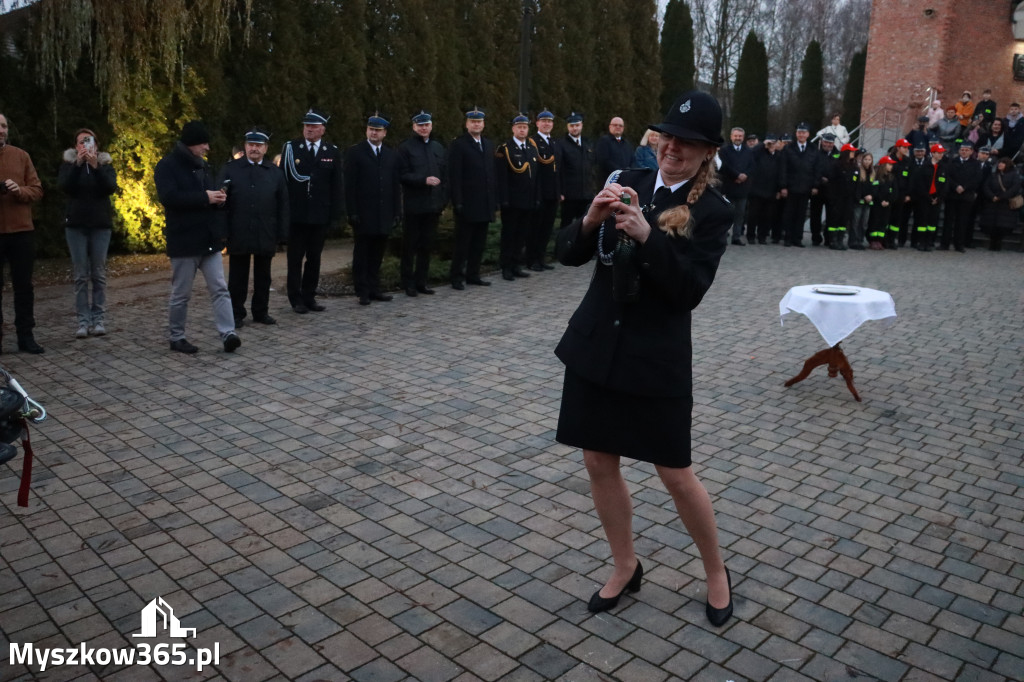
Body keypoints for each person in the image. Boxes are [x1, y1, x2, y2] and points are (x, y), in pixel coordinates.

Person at [553, 90, 733, 626]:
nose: (672, 147)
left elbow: (688, 292)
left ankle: (717, 572)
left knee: (675, 473)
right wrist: (589, 220)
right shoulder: (628, 179)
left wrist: (649, 236)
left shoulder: (714, 211)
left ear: (708, 152)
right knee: (597, 460)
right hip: (598, 348)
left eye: (687, 142)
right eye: (667, 137)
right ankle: (625, 565)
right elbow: (568, 254)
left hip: (655, 358)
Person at [155, 120, 240, 354]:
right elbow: (169, 198)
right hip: (184, 241)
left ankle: (228, 333)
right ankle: (177, 337)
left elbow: (207, 197)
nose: (207, 148)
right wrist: (205, 197)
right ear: (191, 143)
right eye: (204, 143)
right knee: (181, 293)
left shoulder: (204, 166)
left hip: (208, 240)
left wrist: (219, 199)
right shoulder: (166, 166)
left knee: (220, 288)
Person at [217, 128, 289, 326]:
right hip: (238, 230)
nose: (254, 149)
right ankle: (236, 313)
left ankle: (261, 311)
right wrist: (222, 232)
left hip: (265, 230)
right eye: (250, 145)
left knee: (263, 276)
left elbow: (283, 204)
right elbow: (221, 203)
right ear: (245, 146)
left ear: (265, 148)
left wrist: (282, 233)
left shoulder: (274, 173)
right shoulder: (230, 169)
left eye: (258, 145)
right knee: (237, 276)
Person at [281, 108, 343, 314]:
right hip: (297, 215)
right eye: (307, 125)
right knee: (295, 259)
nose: (309, 129)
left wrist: (335, 215)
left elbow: (336, 186)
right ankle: (295, 298)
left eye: (314, 126)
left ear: (322, 129)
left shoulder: (331, 151)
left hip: (319, 215)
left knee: (314, 258)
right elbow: (284, 183)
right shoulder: (291, 148)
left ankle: (310, 296)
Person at [57, 128, 118, 339]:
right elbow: (65, 186)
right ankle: (83, 321)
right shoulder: (69, 165)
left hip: (100, 226)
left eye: (88, 141)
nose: (85, 145)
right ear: (76, 146)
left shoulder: (106, 165)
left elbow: (111, 187)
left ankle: (98, 319)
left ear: (96, 145)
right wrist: (78, 165)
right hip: (76, 226)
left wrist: (96, 167)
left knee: (99, 275)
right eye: (81, 142)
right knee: (81, 276)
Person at [345, 114, 402, 306]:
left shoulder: (390, 154)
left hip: (384, 212)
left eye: (378, 130)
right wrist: (351, 211)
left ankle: (375, 288)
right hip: (363, 213)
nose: (374, 133)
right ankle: (362, 290)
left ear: (384, 133)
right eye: (371, 129)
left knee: (378, 253)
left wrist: (397, 211)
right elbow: (350, 185)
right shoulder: (355, 152)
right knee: (362, 253)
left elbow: (395, 185)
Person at [0, 113, 45, 354]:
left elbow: (37, 190)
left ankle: (25, 336)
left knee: (24, 287)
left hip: (21, 231)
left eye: (4, 126)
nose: (1, 130)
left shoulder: (21, 156)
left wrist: (20, 191)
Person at [397, 110, 446, 297]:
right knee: (410, 246)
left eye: (426, 125)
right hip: (414, 205)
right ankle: (407, 282)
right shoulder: (406, 148)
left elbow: (444, 175)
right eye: (420, 125)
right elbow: (402, 175)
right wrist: (423, 180)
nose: (424, 128)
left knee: (427, 246)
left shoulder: (438, 147)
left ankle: (422, 281)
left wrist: (442, 200)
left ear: (431, 126)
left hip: (433, 206)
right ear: (414, 127)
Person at [448, 108, 498, 290]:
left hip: (484, 203)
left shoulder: (488, 144)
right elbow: (455, 176)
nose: (476, 124)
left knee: (479, 243)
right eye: (473, 122)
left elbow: (491, 175)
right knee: (463, 243)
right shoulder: (459, 145)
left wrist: (494, 201)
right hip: (467, 203)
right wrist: (458, 201)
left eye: (479, 121)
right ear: (467, 124)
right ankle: (456, 276)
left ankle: (473, 274)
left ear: (483, 124)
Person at [495, 113, 539, 281]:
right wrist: (504, 200)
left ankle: (516, 265)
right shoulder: (505, 148)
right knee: (509, 235)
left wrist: (536, 197)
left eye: (525, 127)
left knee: (521, 235)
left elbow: (535, 177)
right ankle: (506, 267)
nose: (522, 129)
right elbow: (502, 177)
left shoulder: (531, 148)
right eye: (519, 127)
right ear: (513, 129)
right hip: (512, 202)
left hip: (527, 200)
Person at [779, 122, 823, 247]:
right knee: (789, 213)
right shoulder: (788, 148)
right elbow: (783, 168)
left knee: (801, 214)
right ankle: (787, 238)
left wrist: (815, 185)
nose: (801, 135)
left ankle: (797, 238)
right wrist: (783, 186)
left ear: (808, 134)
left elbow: (817, 169)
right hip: (791, 187)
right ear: (796, 134)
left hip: (806, 187)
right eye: (799, 132)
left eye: (804, 132)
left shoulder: (813, 149)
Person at [527, 109, 560, 271]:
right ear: (537, 123)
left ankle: (541, 258)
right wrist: (537, 193)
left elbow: (558, 170)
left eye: (549, 121)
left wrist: (559, 191)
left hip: (552, 193)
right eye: (543, 121)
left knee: (547, 228)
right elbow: (535, 172)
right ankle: (532, 259)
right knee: (535, 228)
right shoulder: (533, 142)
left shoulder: (554, 142)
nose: (547, 124)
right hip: (540, 193)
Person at [942, 140, 982, 252]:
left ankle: (959, 244)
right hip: (952, 195)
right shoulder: (952, 161)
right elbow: (947, 176)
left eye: (966, 150)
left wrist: (964, 187)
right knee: (948, 220)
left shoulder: (976, 164)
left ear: (971, 152)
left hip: (966, 196)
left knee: (962, 221)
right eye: (962, 150)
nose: (964, 152)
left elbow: (977, 179)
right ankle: (944, 243)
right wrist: (956, 186)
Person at [558, 111, 594, 229]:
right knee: (566, 225)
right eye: (572, 126)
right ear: (568, 127)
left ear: (582, 125)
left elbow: (591, 167)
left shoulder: (587, 143)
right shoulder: (561, 144)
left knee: (584, 226)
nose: (574, 128)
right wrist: (561, 191)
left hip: (586, 194)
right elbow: (560, 169)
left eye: (577, 125)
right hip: (570, 195)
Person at [717, 127, 753, 245]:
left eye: (740, 136)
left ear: (743, 137)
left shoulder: (748, 151)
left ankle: (736, 237)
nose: (738, 138)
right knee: (726, 213)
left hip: (743, 187)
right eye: (736, 136)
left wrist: (745, 175)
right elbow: (724, 166)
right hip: (729, 186)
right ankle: (722, 236)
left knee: (740, 214)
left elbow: (752, 165)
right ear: (731, 136)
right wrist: (736, 175)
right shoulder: (724, 150)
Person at [981, 156, 1021, 251]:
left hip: (1005, 205)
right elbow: (986, 186)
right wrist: (992, 196)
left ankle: (998, 243)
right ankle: (992, 242)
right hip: (992, 204)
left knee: (1002, 226)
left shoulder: (1014, 175)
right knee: (991, 225)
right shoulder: (993, 175)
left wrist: (1001, 197)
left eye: (1002, 163)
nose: (1000, 164)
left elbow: (1014, 188)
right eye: (999, 163)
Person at [747, 133, 781, 244]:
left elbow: (780, 173)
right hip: (757, 189)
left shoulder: (778, 155)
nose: (771, 145)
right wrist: (763, 145)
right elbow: (751, 153)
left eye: (773, 143)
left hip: (771, 190)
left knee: (766, 216)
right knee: (753, 215)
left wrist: (779, 189)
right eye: (769, 143)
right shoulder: (759, 153)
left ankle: (762, 236)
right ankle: (751, 236)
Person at [848, 152, 875, 250]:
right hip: (859, 201)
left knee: (864, 223)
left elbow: (874, 187)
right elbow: (857, 187)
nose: (867, 161)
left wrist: (872, 196)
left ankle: (860, 241)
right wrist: (863, 196)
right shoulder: (858, 171)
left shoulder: (873, 172)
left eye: (869, 159)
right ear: (862, 160)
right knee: (855, 222)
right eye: (865, 159)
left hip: (868, 202)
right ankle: (853, 241)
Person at [867, 156, 895, 249]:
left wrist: (888, 201)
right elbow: (875, 191)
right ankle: (873, 240)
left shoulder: (891, 178)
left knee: (883, 223)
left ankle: (880, 240)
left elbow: (893, 191)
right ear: (883, 165)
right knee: (875, 222)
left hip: (887, 205)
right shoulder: (877, 177)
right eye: (889, 164)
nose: (891, 166)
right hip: (877, 205)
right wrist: (881, 200)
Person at [595, 116, 633, 181]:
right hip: (609, 180)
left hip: (625, 179)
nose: (618, 127)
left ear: (623, 128)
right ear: (610, 127)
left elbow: (632, 160)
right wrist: (619, 172)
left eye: (620, 126)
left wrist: (628, 171)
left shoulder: (627, 144)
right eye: (615, 125)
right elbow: (604, 161)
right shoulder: (604, 141)